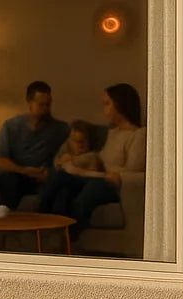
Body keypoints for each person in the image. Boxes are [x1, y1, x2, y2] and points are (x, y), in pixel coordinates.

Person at [39, 83, 146, 230]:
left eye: (107, 104)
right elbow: (99, 157)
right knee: (62, 179)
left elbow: (136, 171)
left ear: (120, 105)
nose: (104, 109)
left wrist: (114, 174)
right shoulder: (113, 133)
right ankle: (40, 224)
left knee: (93, 187)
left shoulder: (138, 135)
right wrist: (71, 160)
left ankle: (70, 236)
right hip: (100, 176)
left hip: (115, 185)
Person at [0, 81, 70, 213]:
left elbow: (69, 155)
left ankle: (52, 228)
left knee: (61, 186)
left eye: (48, 105)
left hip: (41, 177)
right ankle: (8, 226)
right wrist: (24, 170)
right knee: (9, 182)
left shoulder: (60, 129)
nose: (45, 109)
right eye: (41, 105)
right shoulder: (11, 126)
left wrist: (50, 172)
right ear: (29, 102)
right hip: (16, 174)